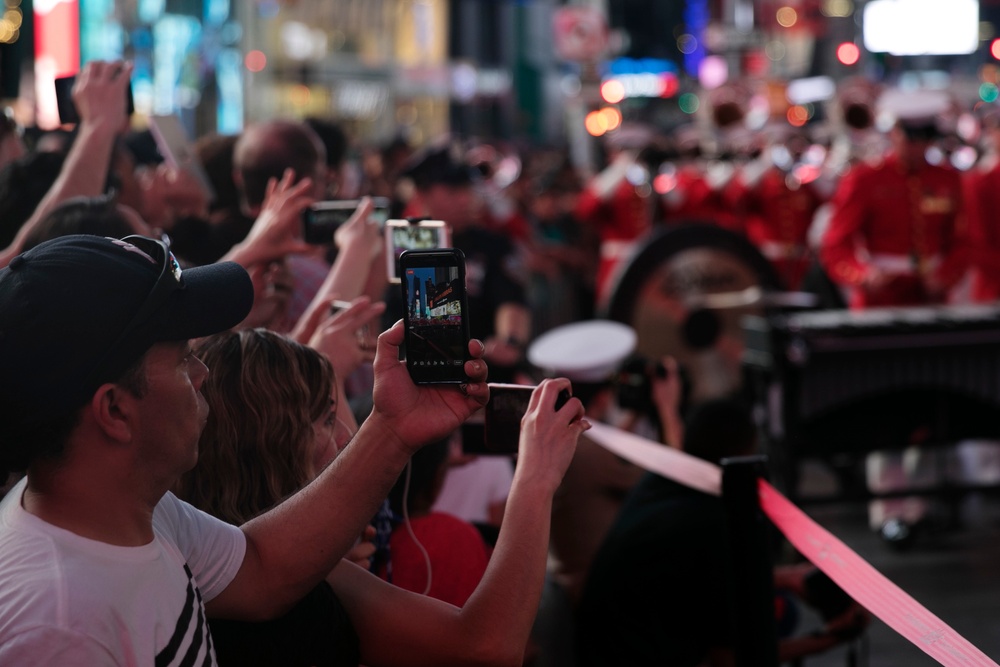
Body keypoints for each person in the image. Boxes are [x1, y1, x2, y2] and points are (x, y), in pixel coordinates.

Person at [2, 231, 586, 664]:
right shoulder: (57, 627)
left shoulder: (134, 512)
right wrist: (535, 483)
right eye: (182, 359)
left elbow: (262, 570)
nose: (202, 372)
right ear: (114, 410)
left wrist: (393, 427)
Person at [575, 398, 870, 666]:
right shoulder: (714, 521)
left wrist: (788, 578)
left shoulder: (660, 480)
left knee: (782, 611)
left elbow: (691, 579)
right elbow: (729, 659)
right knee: (777, 617)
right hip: (639, 655)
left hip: (601, 647)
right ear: (747, 452)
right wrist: (826, 639)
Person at [818, 89, 971, 309]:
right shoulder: (865, 179)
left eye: (926, 137)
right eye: (910, 138)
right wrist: (863, 275)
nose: (918, 146)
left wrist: (945, 276)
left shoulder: (948, 179)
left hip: (932, 296)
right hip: (881, 297)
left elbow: (963, 240)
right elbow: (836, 243)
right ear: (894, 133)